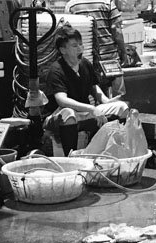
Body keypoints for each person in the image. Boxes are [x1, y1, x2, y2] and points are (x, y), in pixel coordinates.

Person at [42, 24, 129, 156]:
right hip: (58, 115)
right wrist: (92, 109)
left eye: (81, 44)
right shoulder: (56, 70)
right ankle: (70, 158)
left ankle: (119, 152)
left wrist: (106, 101)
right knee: (68, 113)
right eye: (75, 45)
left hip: (84, 112)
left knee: (121, 107)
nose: (80, 48)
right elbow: (62, 100)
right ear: (63, 50)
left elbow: (93, 87)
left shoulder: (85, 64)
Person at [65, 0, 127, 98]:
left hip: (87, 62)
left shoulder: (71, 6)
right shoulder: (107, 2)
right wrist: (123, 52)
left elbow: (68, 35)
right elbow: (117, 30)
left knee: (95, 98)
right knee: (119, 97)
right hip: (110, 59)